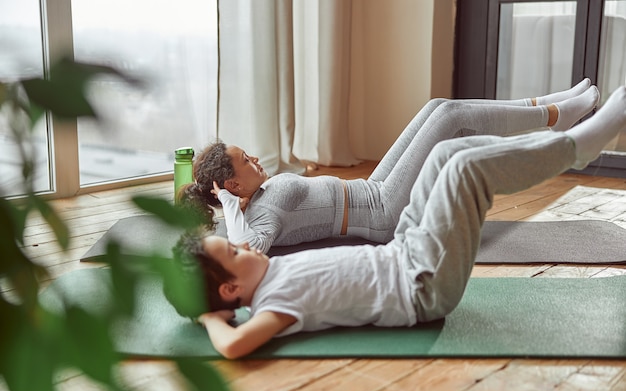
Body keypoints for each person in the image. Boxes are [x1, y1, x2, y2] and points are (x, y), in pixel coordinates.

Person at [171, 86, 626, 360]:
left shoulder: (260, 260)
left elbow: (232, 235)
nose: (241, 246)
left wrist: (217, 210)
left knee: (449, 152)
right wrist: (212, 315)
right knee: (465, 168)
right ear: (232, 290)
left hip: (400, 245)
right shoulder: (273, 302)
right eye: (233, 253)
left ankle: (550, 123)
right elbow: (234, 345)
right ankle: (574, 146)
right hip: (422, 283)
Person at [179, 81, 599, 254]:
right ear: (231, 184)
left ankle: (547, 108)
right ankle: (553, 117)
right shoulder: (258, 216)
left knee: (438, 108)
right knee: (450, 117)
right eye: (246, 161)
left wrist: (228, 200)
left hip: (374, 187)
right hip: (382, 213)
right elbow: (250, 250)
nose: (255, 158)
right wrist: (230, 208)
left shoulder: (260, 196)